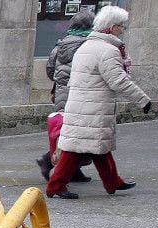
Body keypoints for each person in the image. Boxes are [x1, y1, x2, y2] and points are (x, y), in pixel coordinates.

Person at [46, 6, 152, 199]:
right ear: (112, 27)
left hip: (83, 105)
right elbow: (119, 80)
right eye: (121, 26)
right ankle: (55, 186)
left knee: (99, 148)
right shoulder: (107, 50)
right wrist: (143, 100)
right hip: (93, 108)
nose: (122, 30)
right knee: (74, 151)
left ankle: (113, 182)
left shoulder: (86, 46)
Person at [39, 10, 94, 182]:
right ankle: (49, 162)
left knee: (68, 133)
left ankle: (72, 170)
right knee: (76, 136)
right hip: (81, 96)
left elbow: (50, 69)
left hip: (63, 93)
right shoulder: (88, 46)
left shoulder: (61, 44)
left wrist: (61, 82)